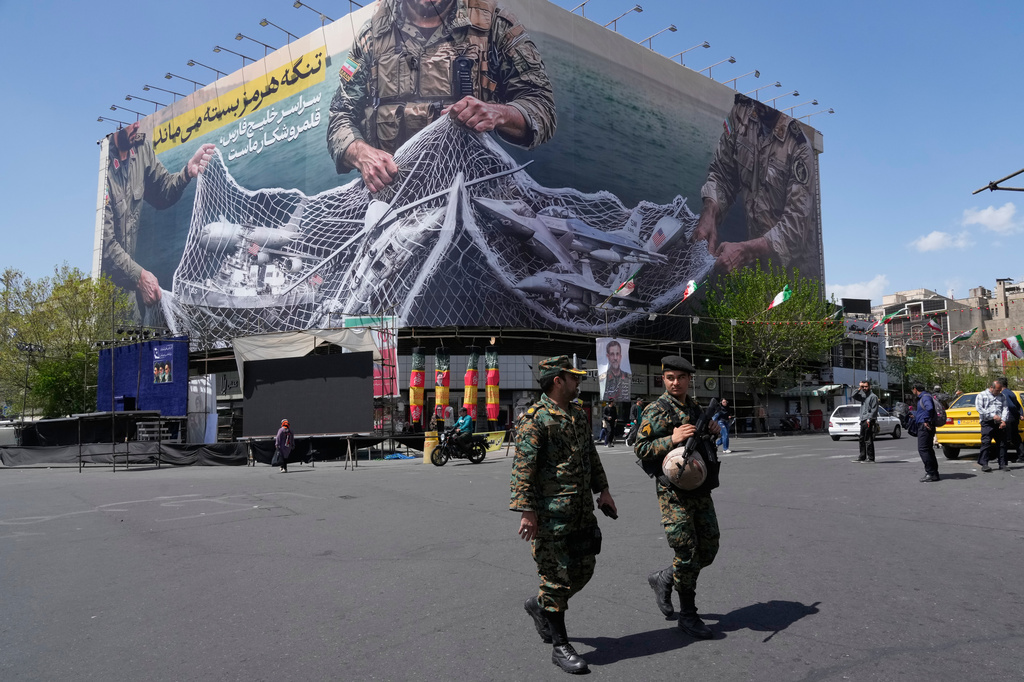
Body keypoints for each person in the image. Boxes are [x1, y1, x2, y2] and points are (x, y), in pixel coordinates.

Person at [327, 0, 557, 193]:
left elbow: (541, 105)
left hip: (475, 190)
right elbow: (340, 115)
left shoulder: (496, 26)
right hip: (391, 196)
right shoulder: (370, 36)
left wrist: (499, 113)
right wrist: (361, 154)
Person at [511, 355, 616, 674]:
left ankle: (539, 605)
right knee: (555, 579)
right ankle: (560, 646)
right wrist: (527, 510)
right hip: (551, 515)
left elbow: (591, 454)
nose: (578, 381)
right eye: (573, 377)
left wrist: (604, 490)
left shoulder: (577, 415)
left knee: (584, 568)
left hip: (581, 511)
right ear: (557, 380)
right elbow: (522, 467)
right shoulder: (535, 418)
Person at [634, 356, 722, 639]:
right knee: (686, 552)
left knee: (708, 549)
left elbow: (703, 446)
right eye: (670, 377)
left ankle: (664, 578)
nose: (675, 382)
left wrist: (712, 432)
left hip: (700, 488)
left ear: (688, 380)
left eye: (681, 378)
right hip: (673, 494)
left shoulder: (696, 408)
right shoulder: (655, 410)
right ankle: (688, 615)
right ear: (663, 379)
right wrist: (670, 440)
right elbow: (641, 448)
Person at [691, 93, 815, 275]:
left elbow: (795, 230)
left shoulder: (799, 147)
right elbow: (723, 174)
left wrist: (745, 251)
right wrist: (710, 213)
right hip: (757, 265)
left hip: (795, 275)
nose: (759, 103)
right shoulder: (741, 113)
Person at [102, 121, 214, 314]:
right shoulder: (102, 167)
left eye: (138, 120)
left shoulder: (141, 149)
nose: (137, 126)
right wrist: (139, 277)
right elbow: (105, 243)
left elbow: (162, 193)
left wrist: (187, 173)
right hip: (102, 298)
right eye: (130, 122)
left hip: (129, 299)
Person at [976, 379, 1008, 472]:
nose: (999, 392)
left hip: (999, 423)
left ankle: (1002, 464)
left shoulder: (1002, 396)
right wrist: (992, 416)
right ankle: (984, 464)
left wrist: (1003, 420)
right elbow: (979, 409)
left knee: (1002, 444)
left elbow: (1005, 408)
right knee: (986, 443)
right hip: (987, 423)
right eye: (997, 390)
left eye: (1000, 390)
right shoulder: (982, 395)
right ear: (991, 388)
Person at [910, 384, 939, 482]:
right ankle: (934, 473)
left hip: (925, 426)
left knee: (923, 449)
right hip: (925, 425)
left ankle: (930, 473)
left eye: (912, 389)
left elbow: (929, 408)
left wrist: (925, 419)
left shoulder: (925, 397)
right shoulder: (925, 396)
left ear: (915, 389)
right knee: (928, 450)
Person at [997, 378, 1023, 464]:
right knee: (1015, 437)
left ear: (1000, 385)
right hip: (1013, 418)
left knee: (1005, 439)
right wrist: (1020, 414)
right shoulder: (1010, 392)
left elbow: (1011, 406)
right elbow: (1018, 405)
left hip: (1008, 418)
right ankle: (1021, 456)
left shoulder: (1004, 394)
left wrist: (1017, 413)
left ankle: (1004, 458)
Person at [851, 379, 878, 463]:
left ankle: (870, 458)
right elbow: (854, 395)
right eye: (863, 387)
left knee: (868, 439)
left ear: (869, 386)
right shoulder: (863, 396)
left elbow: (874, 409)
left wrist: (869, 419)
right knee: (862, 438)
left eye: (866, 386)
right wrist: (859, 388)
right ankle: (862, 456)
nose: (864, 388)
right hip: (863, 419)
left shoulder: (873, 397)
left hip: (868, 420)